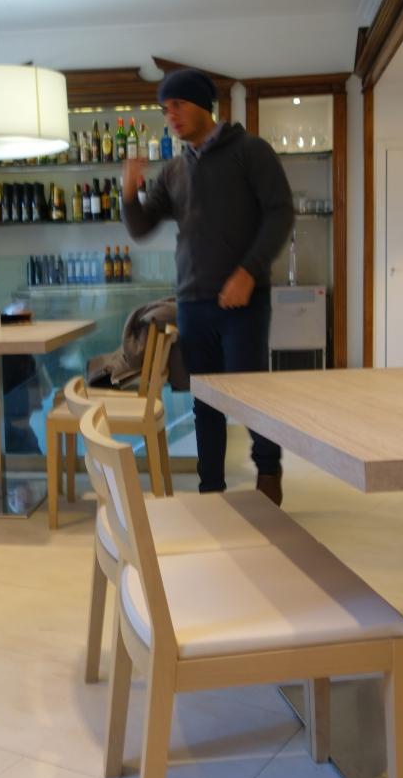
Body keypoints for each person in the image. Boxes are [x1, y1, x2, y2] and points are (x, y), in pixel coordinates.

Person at [121, 69, 294, 505]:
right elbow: (141, 227)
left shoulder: (249, 151)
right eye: (165, 109)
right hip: (192, 301)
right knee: (205, 401)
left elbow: (280, 214)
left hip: (244, 301)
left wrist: (249, 272)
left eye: (178, 105)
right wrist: (128, 193)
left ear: (202, 104)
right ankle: (211, 490)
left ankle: (268, 470)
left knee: (253, 396)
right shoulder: (174, 169)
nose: (171, 116)